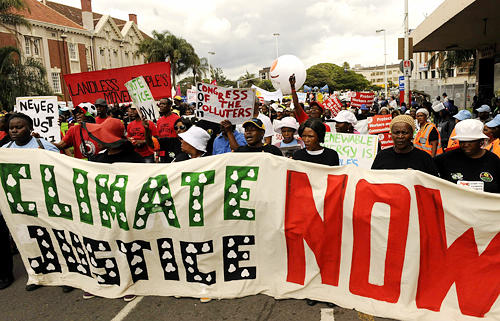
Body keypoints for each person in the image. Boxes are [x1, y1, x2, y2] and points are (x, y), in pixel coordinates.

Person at [1, 113, 67, 292]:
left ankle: (65, 276)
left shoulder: (43, 146)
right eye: (11, 128)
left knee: (52, 237)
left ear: (30, 128)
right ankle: (37, 275)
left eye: (19, 127)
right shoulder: (5, 150)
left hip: (44, 199)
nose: (14, 130)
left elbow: (59, 170)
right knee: (29, 240)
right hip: (21, 204)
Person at [435, 119, 500, 193]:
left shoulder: (494, 161)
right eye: (462, 141)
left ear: (481, 141)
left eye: (471, 141)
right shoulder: (446, 159)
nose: (466, 144)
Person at [371, 115, 438, 175]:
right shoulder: (382, 156)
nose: (400, 136)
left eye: (404, 132)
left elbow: (433, 184)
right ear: (391, 135)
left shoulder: (424, 158)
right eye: (396, 133)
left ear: (412, 134)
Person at [156, 98, 180, 162]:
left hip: (174, 149)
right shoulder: (159, 121)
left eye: (163, 104)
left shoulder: (177, 119)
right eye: (160, 104)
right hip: (163, 149)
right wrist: (157, 156)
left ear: (169, 105)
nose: (161, 106)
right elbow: (158, 138)